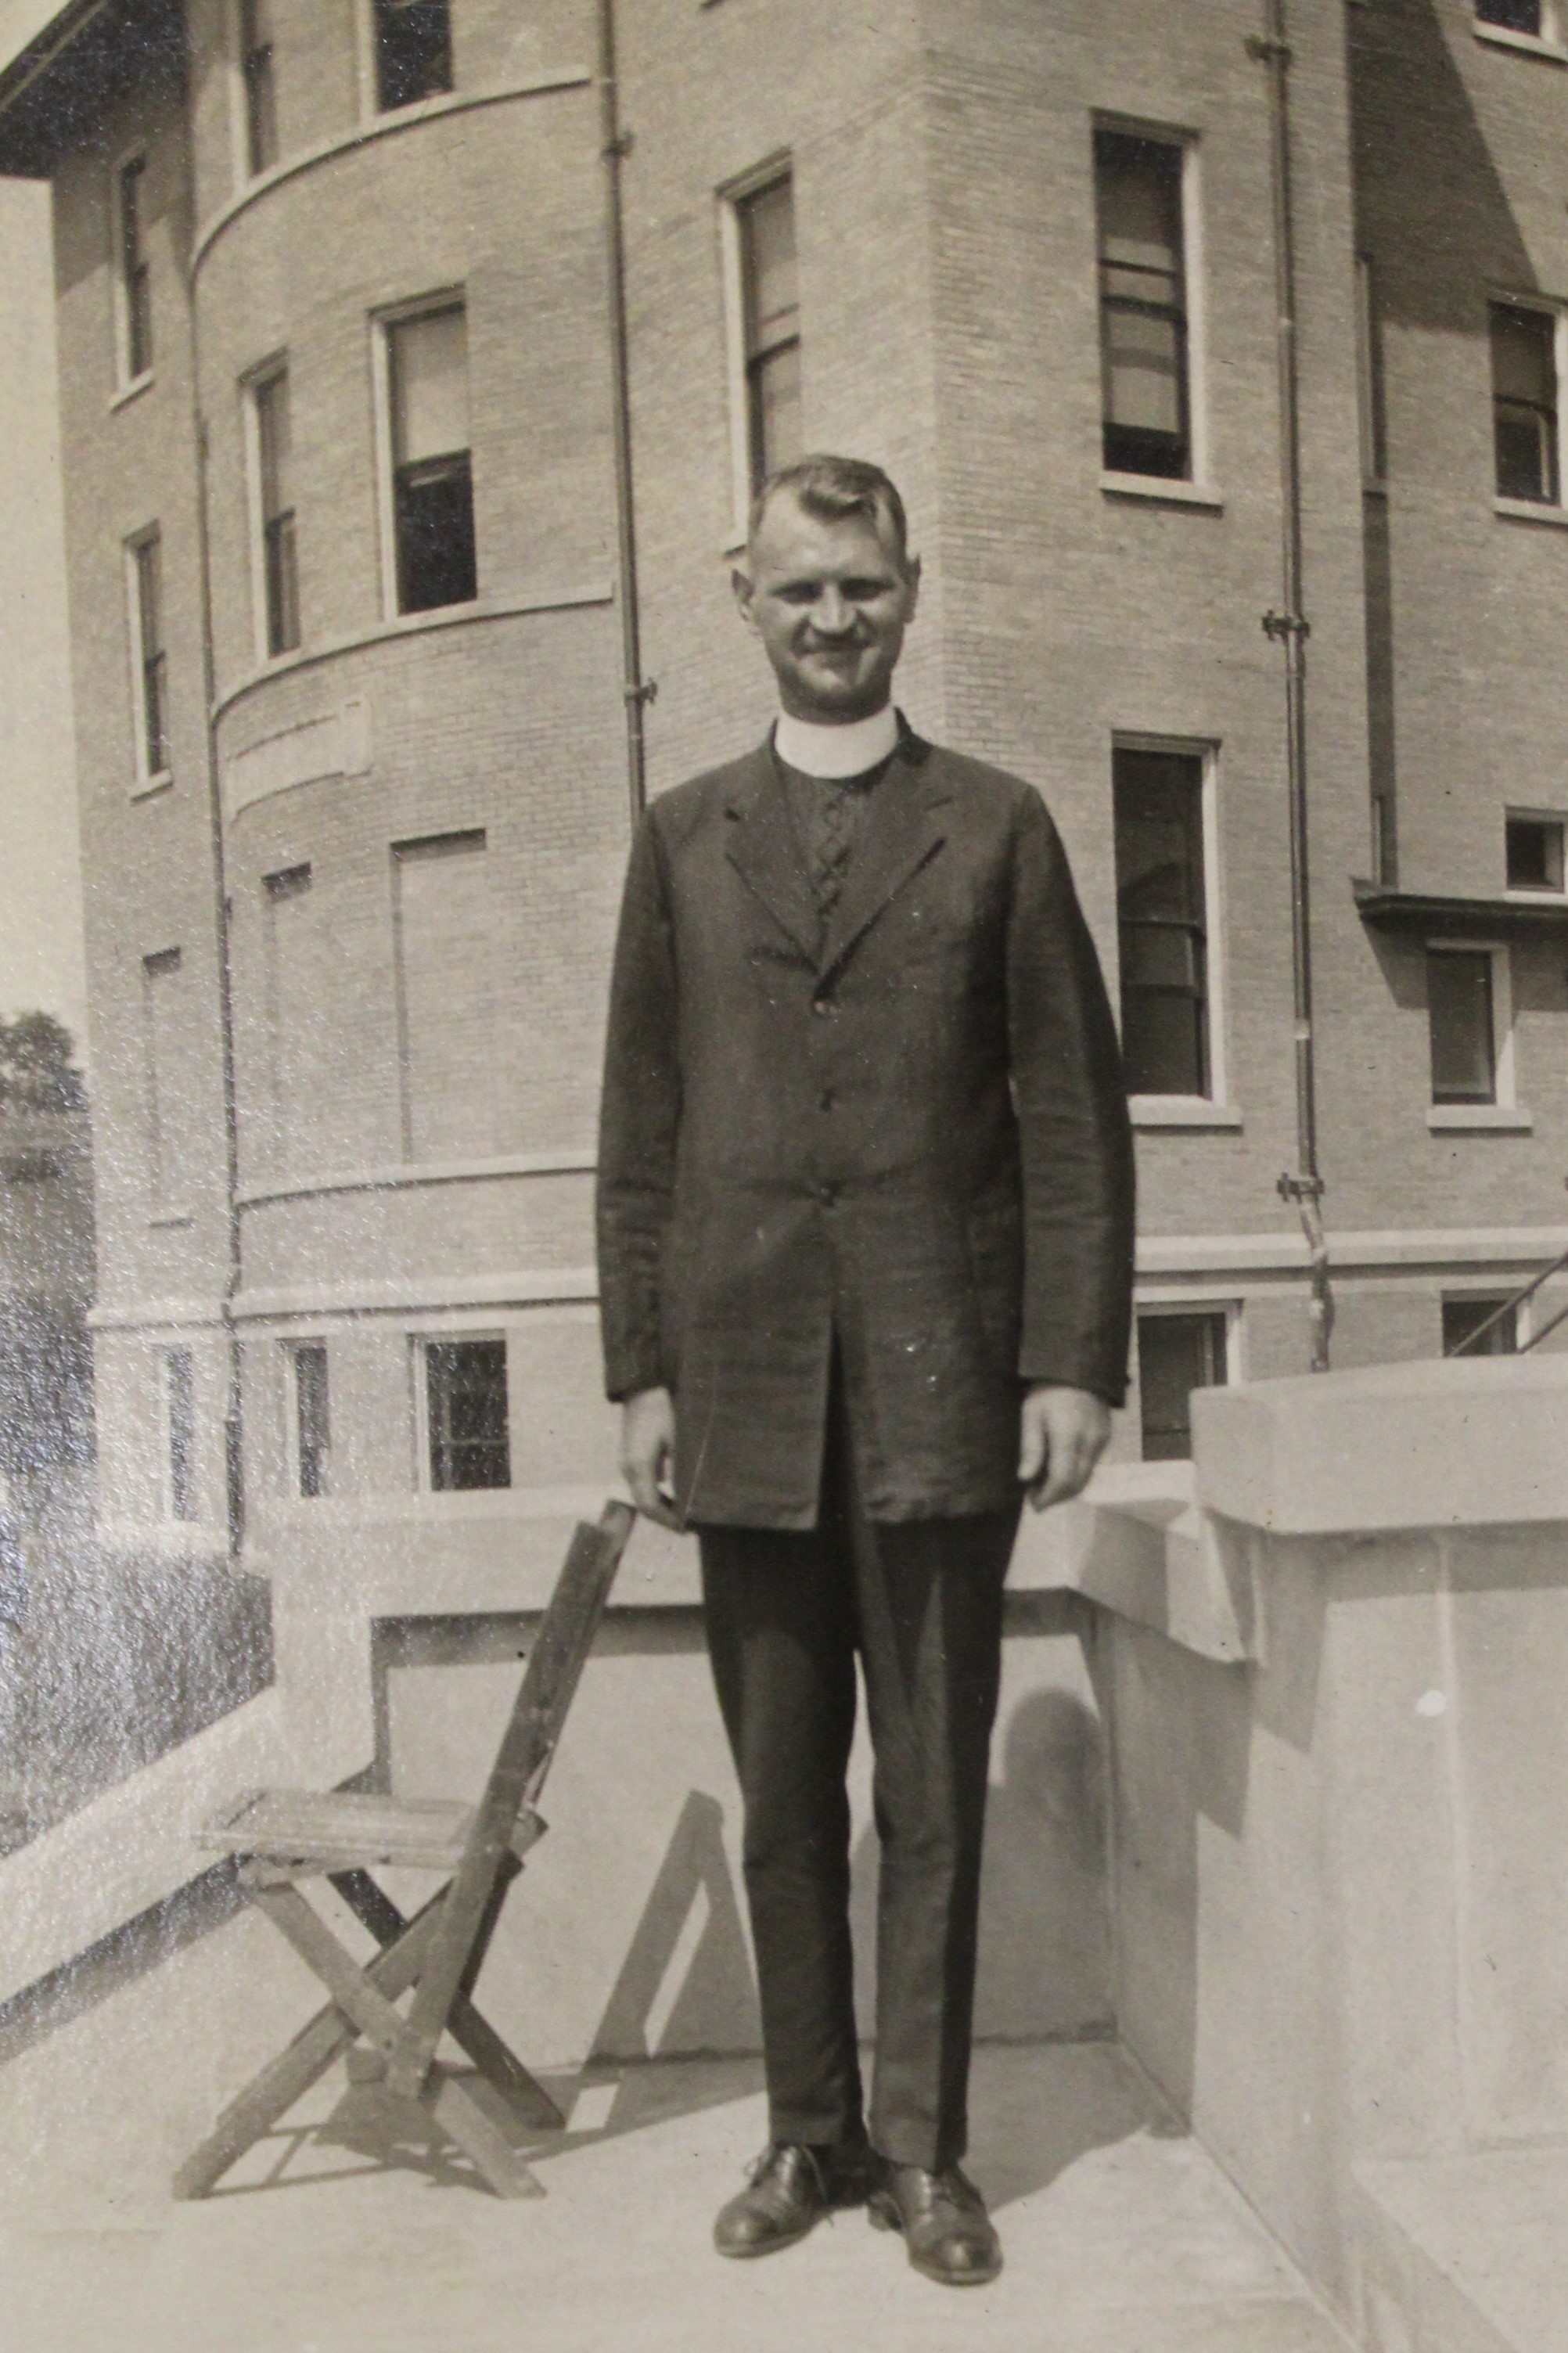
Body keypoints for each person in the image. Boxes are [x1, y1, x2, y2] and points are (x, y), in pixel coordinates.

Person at [595, 454, 1135, 2288]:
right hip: (740, 1391)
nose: (834, 619)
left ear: (914, 593)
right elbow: (639, 1127)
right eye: (800, 588)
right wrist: (641, 1370)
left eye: (866, 589)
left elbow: (1071, 1118)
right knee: (782, 1794)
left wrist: (1069, 1360)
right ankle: (802, 2133)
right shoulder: (681, 835)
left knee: (931, 1787)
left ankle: (925, 2154)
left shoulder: (997, 826)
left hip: (938, 1391)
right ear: (740, 595)